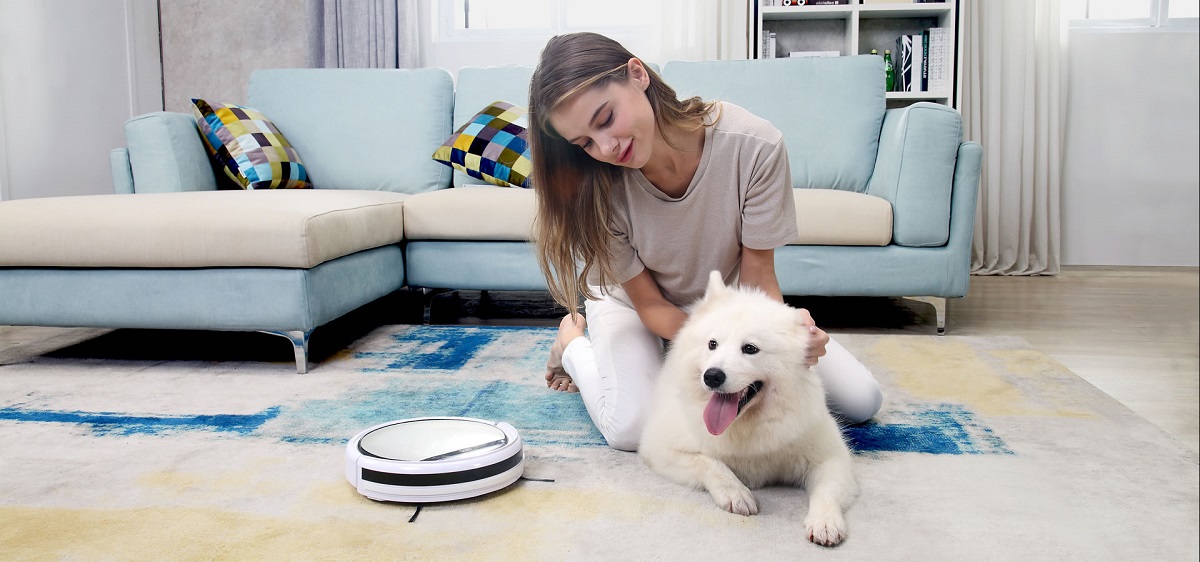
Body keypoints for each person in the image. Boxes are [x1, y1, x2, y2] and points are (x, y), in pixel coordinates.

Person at [527, 32, 882, 451]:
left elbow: (757, 280)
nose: (605, 147)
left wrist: (782, 337)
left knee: (862, 400)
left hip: (723, 312)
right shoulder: (598, 189)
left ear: (637, 74)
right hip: (632, 306)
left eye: (605, 119)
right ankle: (572, 343)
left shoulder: (755, 147)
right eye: (584, 142)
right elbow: (651, 306)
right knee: (631, 430)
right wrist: (718, 347)